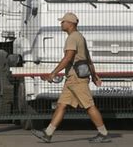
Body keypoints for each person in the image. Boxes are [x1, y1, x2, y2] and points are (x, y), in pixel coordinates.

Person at [31, 12, 110, 143]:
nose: (61, 23)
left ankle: (103, 133)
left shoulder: (72, 38)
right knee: (61, 105)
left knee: (89, 106)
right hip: (72, 79)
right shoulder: (80, 37)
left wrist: (53, 73)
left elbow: (68, 58)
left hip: (76, 79)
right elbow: (88, 59)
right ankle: (48, 133)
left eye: (63, 21)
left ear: (71, 23)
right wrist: (94, 75)